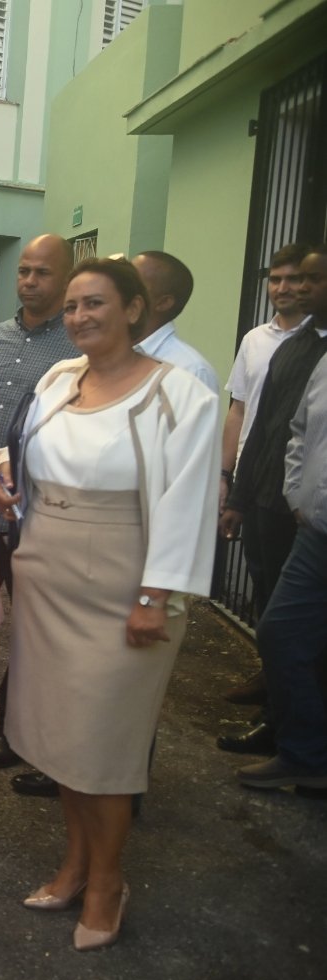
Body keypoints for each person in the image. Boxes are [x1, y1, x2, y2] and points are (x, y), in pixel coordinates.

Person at [0, 257, 218, 951]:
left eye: (95, 304)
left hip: (127, 586)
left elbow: (188, 503)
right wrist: (9, 481)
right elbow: (26, 453)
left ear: (134, 309)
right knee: (59, 739)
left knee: (105, 746)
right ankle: (72, 864)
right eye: (72, 308)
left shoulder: (183, 395)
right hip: (48, 572)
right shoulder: (62, 379)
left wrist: (157, 595)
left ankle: (107, 881)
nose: (80, 317)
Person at [0, 234, 79, 791]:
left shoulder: (76, 349)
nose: (30, 281)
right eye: (25, 271)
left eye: (43, 273)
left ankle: (13, 728)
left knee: (32, 626)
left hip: (36, 510)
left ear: (66, 279)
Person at [222, 249, 327, 755]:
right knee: (270, 607)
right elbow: (259, 423)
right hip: (270, 494)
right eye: (284, 279)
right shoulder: (279, 346)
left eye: (307, 279)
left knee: (293, 623)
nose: (294, 289)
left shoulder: (311, 348)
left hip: (305, 512)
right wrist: (237, 489)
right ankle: (278, 707)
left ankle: (288, 725)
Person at [236, 333, 327, 791]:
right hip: (316, 531)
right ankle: (306, 753)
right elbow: (299, 429)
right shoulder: (316, 357)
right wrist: (296, 492)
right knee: (279, 631)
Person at [132, 251, 221, 394]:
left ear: (163, 302)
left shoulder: (191, 370)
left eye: (133, 284)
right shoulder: (111, 355)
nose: (119, 290)